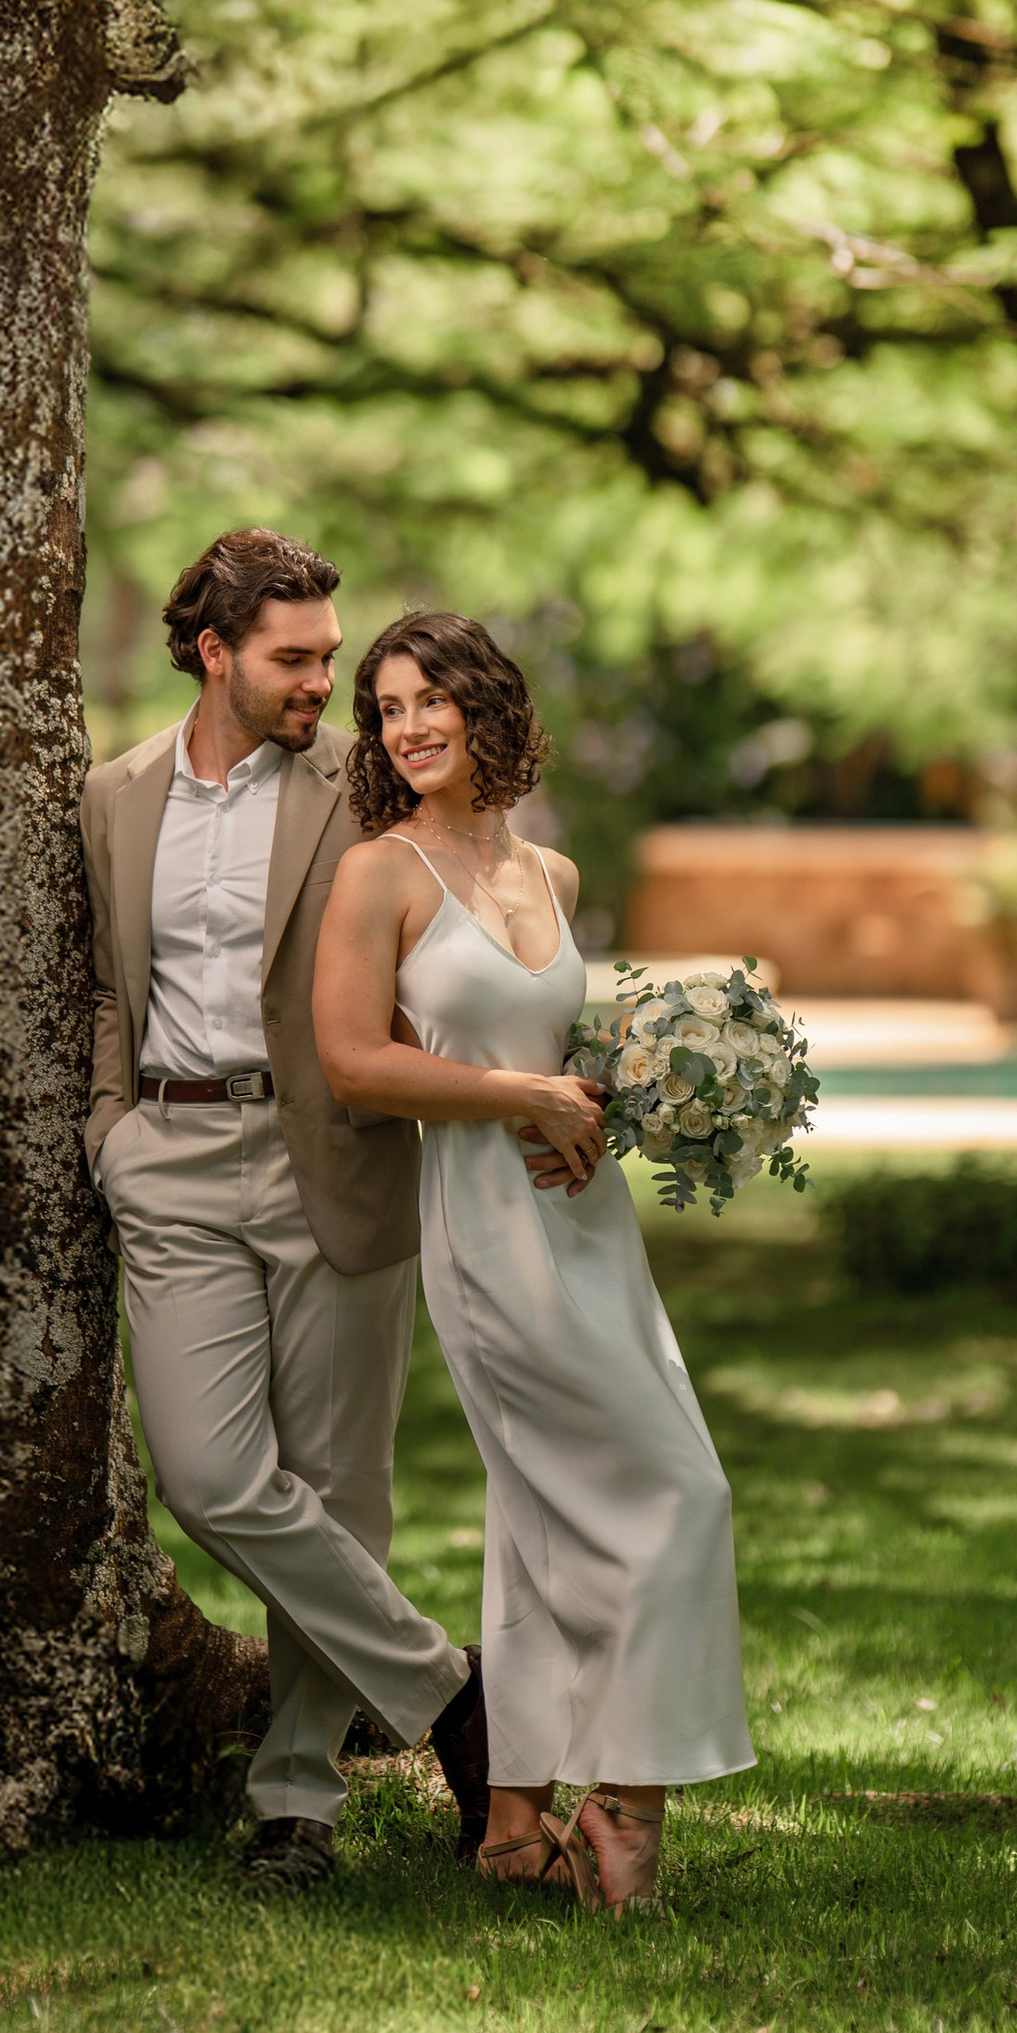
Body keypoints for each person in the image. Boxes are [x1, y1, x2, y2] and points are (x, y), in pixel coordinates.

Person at [312, 609, 754, 1913]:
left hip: (586, 1222)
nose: (408, 727)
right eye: (386, 709)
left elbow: (574, 1060)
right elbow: (353, 1062)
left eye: (428, 698)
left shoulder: (549, 876)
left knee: (544, 1517)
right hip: (483, 1228)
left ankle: (514, 1824)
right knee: (681, 1495)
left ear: (485, 704)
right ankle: (627, 1803)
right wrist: (518, 1097)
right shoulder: (379, 875)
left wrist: (598, 1114)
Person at [80, 530, 490, 1894]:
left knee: (336, 1490)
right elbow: (103, 981)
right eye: (296, 657)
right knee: (208, 1478)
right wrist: (108, 1130)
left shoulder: (363, 793)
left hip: (338, 1153)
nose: (329, 678)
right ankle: (455, 1702)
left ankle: (296, 1806)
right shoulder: (114, 795)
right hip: (171, 1156)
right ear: (213, 652)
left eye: (331, 653)